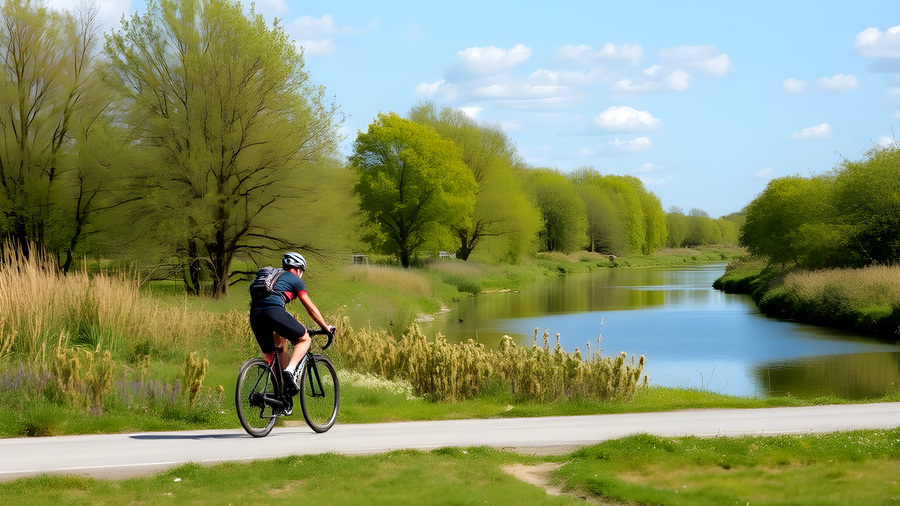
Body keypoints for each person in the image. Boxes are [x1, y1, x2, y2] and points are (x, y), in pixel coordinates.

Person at [249, 252, 335, 394]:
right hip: (273, 311)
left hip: (255, 314)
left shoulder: (275, 277)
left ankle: (279, 396)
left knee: (275, 352)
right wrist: (325, 327)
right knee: (304, 338)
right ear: (299, 269)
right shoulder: (295, 280)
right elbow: (310, 308)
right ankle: (290, 371)